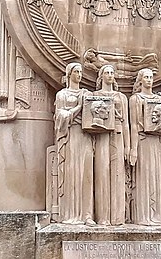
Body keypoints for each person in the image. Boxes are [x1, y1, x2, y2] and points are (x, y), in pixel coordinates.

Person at [54, 63, 95, 225]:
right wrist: (78, 107)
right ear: (69, 74)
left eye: (80, 72)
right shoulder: (62, 95)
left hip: (85, 135)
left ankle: (87, 215)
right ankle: (69, 214)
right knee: (72, 173)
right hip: (70, 136)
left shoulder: (86, 94)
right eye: (76, 72)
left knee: (86, 174)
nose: (79, 74)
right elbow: (60, 116)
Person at [94, 65, 130, 225]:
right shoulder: (94, 95)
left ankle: (117, 217)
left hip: (118, 134)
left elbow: (127, 124)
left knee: (118, 174)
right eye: (107, 73)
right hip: (101, 136)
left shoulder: (122, 97)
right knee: (102, 174)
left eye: (112, 73)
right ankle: (102, 217)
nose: (109, 75)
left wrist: (129, 147)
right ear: (101, 76)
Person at [129, 68, 161, 225]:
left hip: (156, 141)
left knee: (156, 177)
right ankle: (143, 216)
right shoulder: (135, 99)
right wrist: (132, 148)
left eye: (151, 77)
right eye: (146, 77)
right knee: (143, 177)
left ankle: (156, 215)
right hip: (142, 141)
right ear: (141, 80)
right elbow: (133, 125)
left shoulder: (159, 100)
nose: (149, 80)